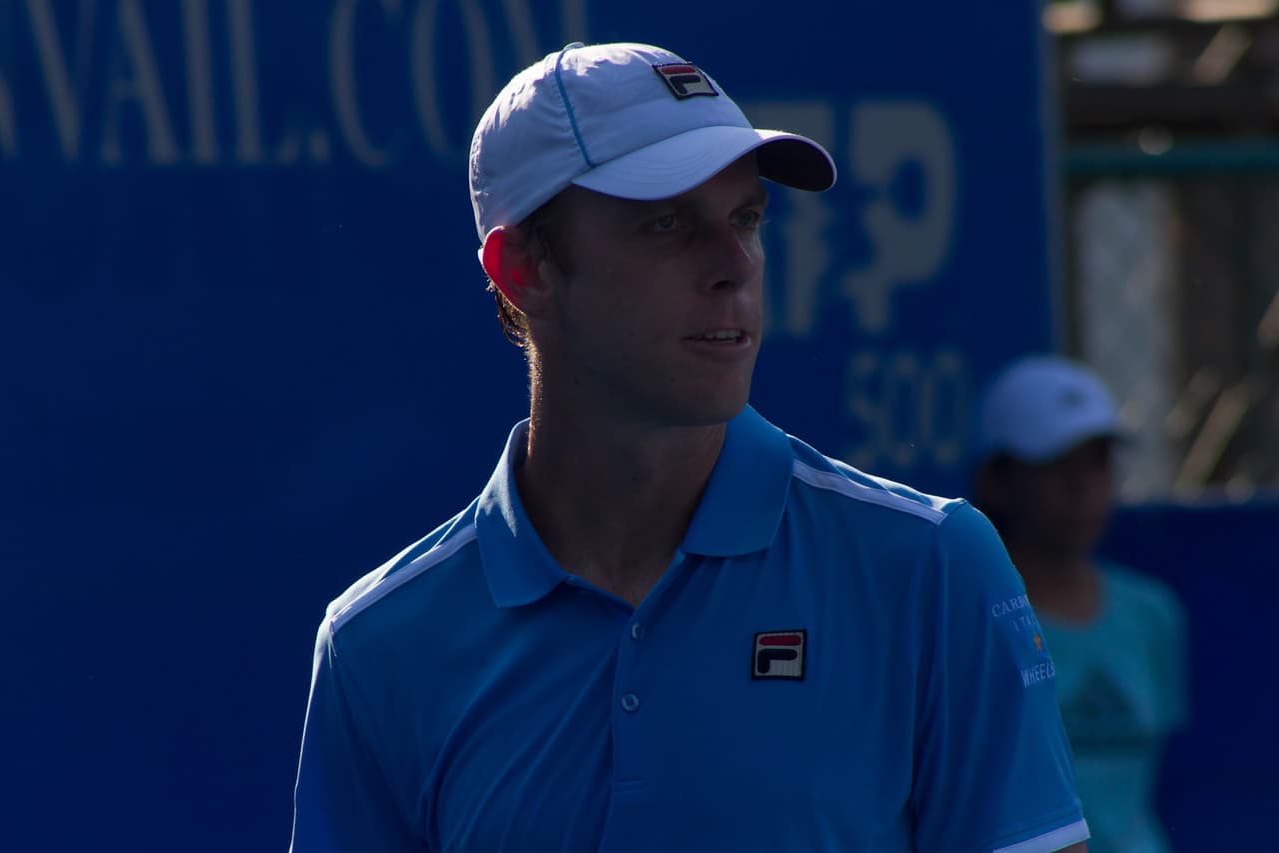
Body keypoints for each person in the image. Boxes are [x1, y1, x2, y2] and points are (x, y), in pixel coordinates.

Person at [289, 42, 1090, 852]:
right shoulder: (377, 647)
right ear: (522, 268)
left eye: (745, 218)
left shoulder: (934, 564)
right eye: (666, 222)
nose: (734, 265)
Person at [972, 355, 1188, 853]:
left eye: (1098, 462)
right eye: (1055, 465)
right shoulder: (970, 620)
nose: (1083, 487)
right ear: (997, 481)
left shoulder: (1153, 614)